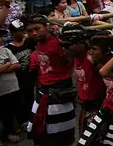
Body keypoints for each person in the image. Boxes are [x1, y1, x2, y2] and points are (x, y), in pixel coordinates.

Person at [26, 14, 76, 146]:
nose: (34, 33)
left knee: (60, 131)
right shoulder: (38, 42)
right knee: (41, 127)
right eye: (30, 31)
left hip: (61, 89)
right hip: (43, 88)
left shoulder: (58, 43)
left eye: (37, 29)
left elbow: (72, 62)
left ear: (46, 26)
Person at [60, 26, 105, 142]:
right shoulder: (74, 56)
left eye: (67, 45)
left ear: (80, 43)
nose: (63, 49)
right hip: (85, 106)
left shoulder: (93, 58)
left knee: (94, 141)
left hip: (98, 107)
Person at [7, 20, 37, 130]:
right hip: (18, 78)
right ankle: (23, 121)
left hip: (32, 75)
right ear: (13, 32)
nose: (22, 32)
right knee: (20, 100)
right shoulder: (8, 48)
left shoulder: (29, 42)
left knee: (31, 98)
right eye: (19, 31)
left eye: (22, 30)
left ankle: (33, 119)